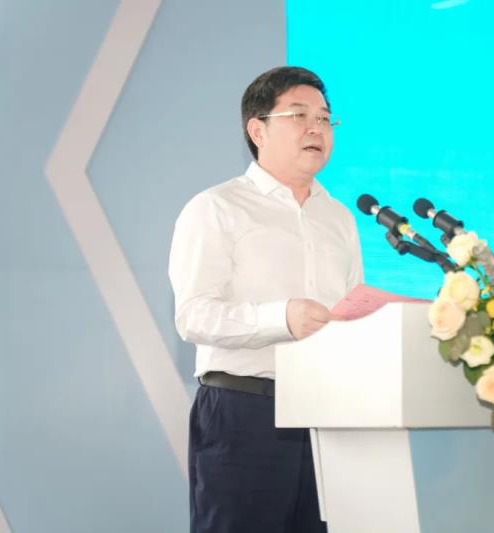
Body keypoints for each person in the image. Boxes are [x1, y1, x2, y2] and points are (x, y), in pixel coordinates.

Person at [168, 66, 364, 533]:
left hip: (328, 418)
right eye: (299, 115)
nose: (316, 128)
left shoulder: (339, 218)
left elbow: (351, 308)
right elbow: (193, 316)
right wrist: (282, 318)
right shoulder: (217, 207)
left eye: (324, 118)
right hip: (246, 411)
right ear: (257, 130)